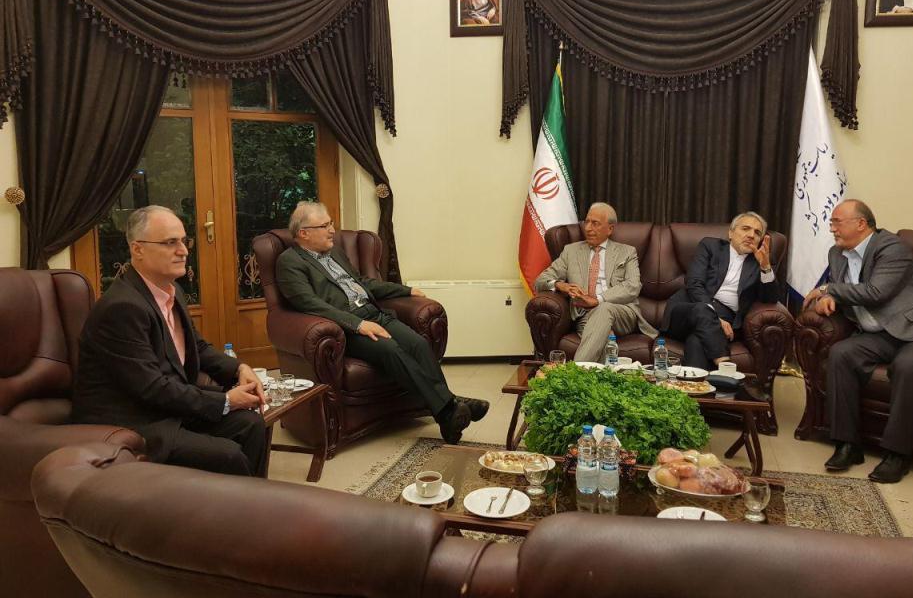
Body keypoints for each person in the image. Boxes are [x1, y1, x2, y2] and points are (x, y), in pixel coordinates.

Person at [74, 205, 268, 477]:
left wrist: (239, 369)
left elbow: (197, 347)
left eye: (184, 241)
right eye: (170, 243)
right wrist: (225, 400)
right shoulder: (122, 307)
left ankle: (253, 500)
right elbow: (152, 388)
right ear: (137, 249)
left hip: (166, 407)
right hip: (134, 419)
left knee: (252, 425)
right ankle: (231, 503)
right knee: (228, 454)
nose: (184, 250)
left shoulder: (171, 290)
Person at [275, 201, 488, 444]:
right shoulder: (290, 262)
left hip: (374, 313)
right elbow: (310, 304)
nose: (332, 230)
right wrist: (358, 325)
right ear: (304, 233)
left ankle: (449, 409)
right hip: (347, 328)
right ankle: (450, 408)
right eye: (324, 226)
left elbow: (363, 283)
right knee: (391, 350)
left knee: (418, 344)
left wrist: (405, 290)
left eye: (331, 223)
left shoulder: (335, 253)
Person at [802, 199, 913, 484]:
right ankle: (847, 445)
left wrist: (828, 288)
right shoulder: (836, 253)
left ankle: (898, 454)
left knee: (907, 366)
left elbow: (876, 292)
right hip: (880, 333)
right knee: (841, 354)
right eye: (832, 223)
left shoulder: (892, 247)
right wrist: (828, 299)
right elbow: (845, 292)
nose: (831, 228)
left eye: (837, 222)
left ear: (861, 224)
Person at [534, 202, 656, 362]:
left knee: (604, 309)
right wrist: (560, 285)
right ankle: (603, 376)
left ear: (610, 229)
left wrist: (598, 300)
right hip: (585, 315)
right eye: (587, 222)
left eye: (595, 223)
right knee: (605, 337)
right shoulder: (571, 251)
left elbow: (632, 286)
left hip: (622, 312)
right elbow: (540, 281)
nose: (588, 228)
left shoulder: (627, 252)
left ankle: (575, 371)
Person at [661, 212, 780, 370]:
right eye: (745, 229)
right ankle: (725, 366)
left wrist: (765, 267)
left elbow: (770, 299)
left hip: (726, 319)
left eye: (757, 233)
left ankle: (697, 385)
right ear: (731, 233)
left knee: (697, 341)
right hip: (688, 310)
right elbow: (694, 283)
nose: (751, 235)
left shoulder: (761, 262)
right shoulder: (710, 246)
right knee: (702, 311)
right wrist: (714, 318)